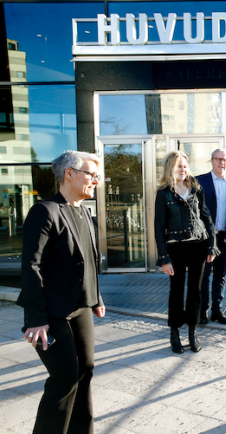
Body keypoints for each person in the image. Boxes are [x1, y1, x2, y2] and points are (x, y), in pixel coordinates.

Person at [18, 150, 106, 434]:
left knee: (85, 372)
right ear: (69, 173)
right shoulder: (45, 211)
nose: (96, 181)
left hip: (80, 308)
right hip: (52, 311)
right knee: (64, 378)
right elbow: (31, 266)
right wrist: (35, 317)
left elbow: (89, 261)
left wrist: (96, 298)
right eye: (91, 174)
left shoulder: (83, 211)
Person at [154, 150, 217, 354]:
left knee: (196, 291)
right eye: (178, 166)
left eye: (184, 165)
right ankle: (174, 333)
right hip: (175, 247)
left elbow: (206, 217)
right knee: (177, 290)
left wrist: (212, 245)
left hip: (198, 245)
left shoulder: (196, 188)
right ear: (170, 168)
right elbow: (158, 226)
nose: (182, 169)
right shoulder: (163, 193)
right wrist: (164, 258)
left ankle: (192, 332)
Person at [196, 149, 226, 325]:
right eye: (218, 159)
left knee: (220, 275)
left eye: (224, 160)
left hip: (224, 237)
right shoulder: (200, 181)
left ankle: (217, 310)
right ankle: (203, 311)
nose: (221, 162)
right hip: (206, 239)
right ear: (212, 161)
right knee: (205, 275)